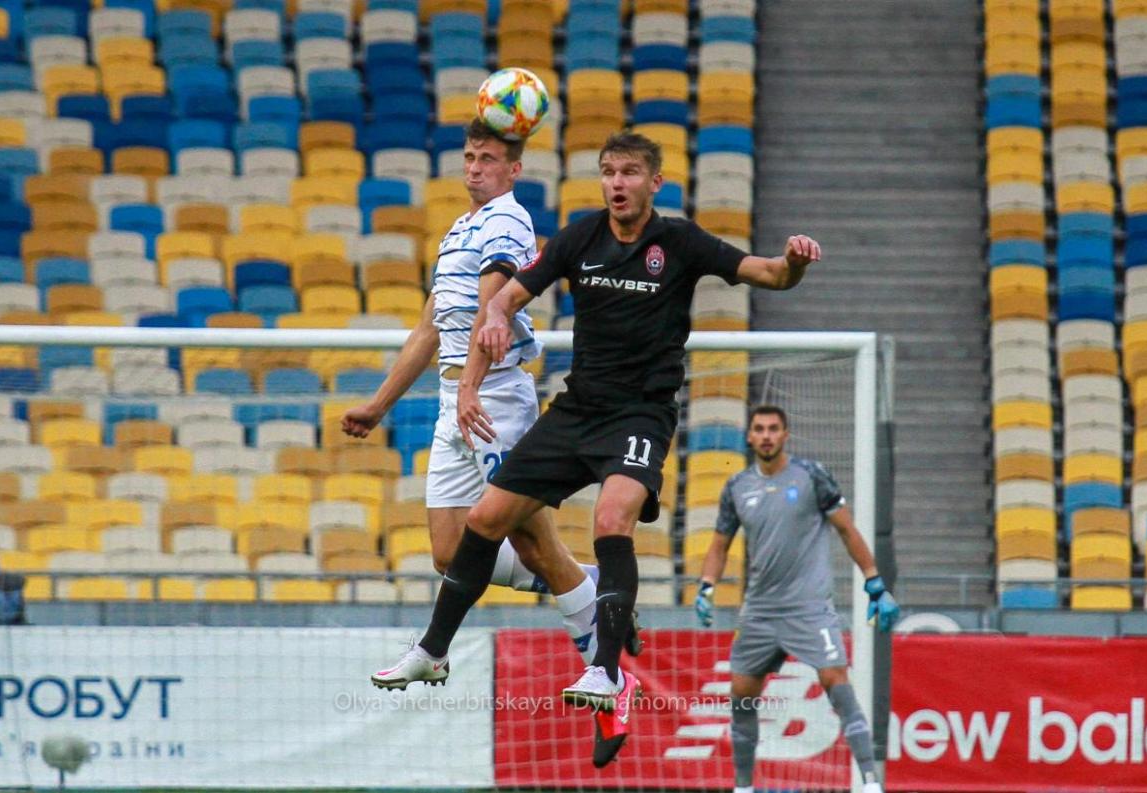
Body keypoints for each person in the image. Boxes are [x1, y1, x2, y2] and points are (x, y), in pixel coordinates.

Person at [373, 130, 822, 762]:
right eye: (609, 171)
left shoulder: (680, 242)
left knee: (611, 521)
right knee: (484, 520)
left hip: (640, 415)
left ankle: (607, 671)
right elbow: (512, 291)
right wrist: (496, 314)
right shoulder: (579, 237)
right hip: (577, 409)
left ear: (654, 183)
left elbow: (769, 273)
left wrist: (794, 262)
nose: (617, 183)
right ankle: (433, 650)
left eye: (629, 172)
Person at [348, 119, 634, 691]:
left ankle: (605, 668)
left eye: (487, 159)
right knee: (449, 552)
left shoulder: (507, 219)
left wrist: (472, 387)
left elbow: (493, 307)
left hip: (492, 397)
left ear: (514, 169)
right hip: (453, 400)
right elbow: (430, 327)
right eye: (469, 157)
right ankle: (585, 583)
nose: (475, 168)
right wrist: (379, 405)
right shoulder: (460, 229)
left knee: (530, 539)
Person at [694, 404, 899, 793]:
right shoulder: (737, 486)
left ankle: (870, 782)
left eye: (774, 429)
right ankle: (743, 787)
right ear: (750, 436)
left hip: (809, 607)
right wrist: (706, 585)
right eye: (759, 429)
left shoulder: (812, 476)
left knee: (836, 682)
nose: (766, 435)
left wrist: (874, 580)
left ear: (785, 435)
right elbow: (720, 544)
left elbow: (847, 530)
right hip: (759, 610)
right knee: (741, 694)